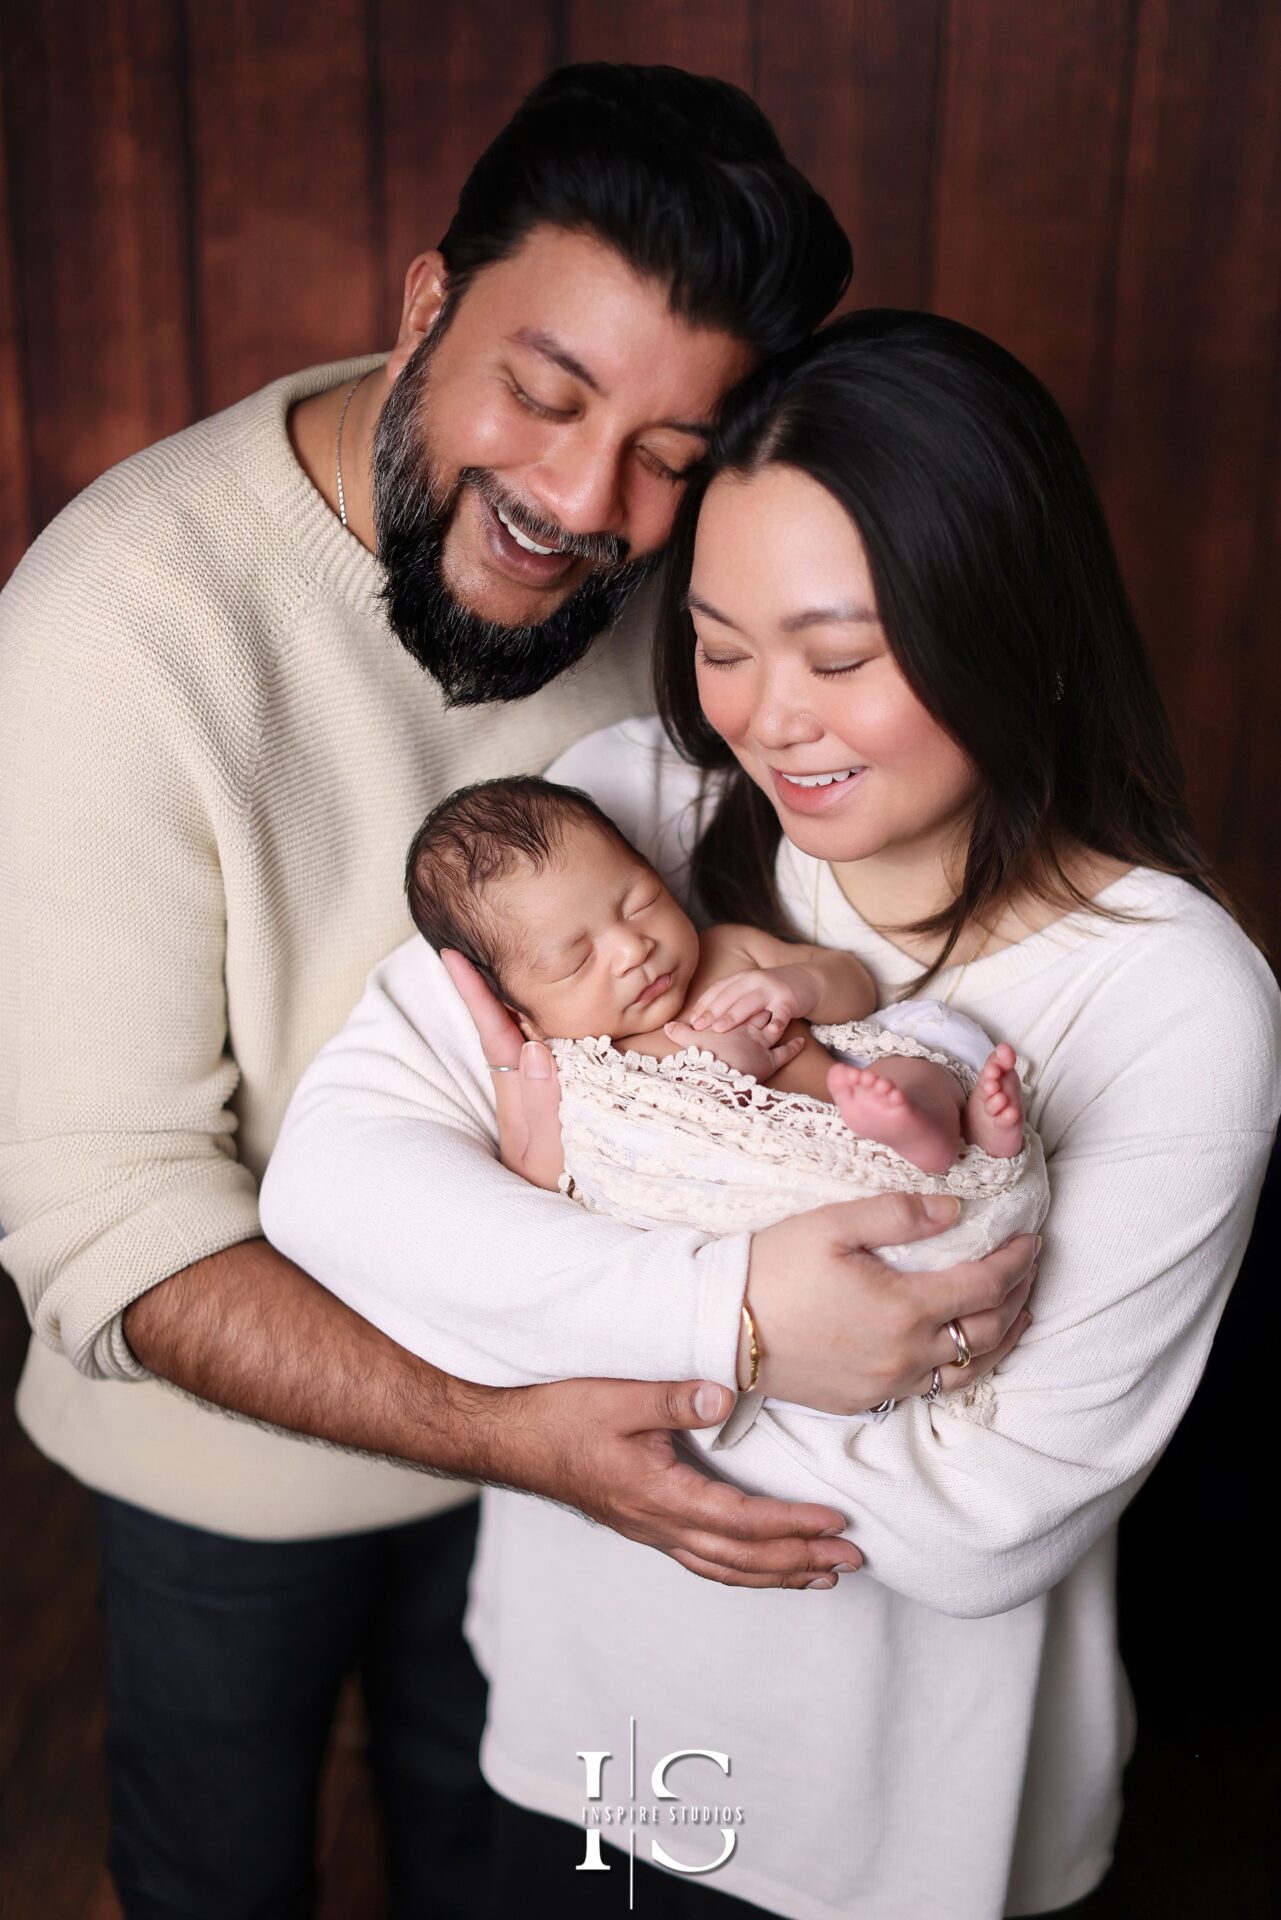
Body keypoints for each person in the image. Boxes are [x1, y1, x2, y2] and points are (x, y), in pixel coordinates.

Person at [261, 311, 1280, 1918]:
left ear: (1012, 621)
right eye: (721, 644)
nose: (764, 718)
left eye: (841, 655)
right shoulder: (634, 824)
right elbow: (331, 1192)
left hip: (901, 1818)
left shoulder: (1170, 998)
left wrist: (553, 1240)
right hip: (580, 1723)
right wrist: (739, 1315)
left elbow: (983, 1524)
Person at [0, 62, 871, 1919]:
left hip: (584, 1438)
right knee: (217, 1871)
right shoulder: (109, 632)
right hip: (235, 1464)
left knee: (524, 1862)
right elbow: (106, 1216)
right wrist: (499, 1421)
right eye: (543, 396)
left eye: (666, 452)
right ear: (421, 308)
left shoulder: (684, 603)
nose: (579, 498)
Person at [404, 772, 1030, 1175]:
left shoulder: (726, 951)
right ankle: (929, 1138)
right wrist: (724, 1074)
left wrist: (797, 986)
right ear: (520, 1013)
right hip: (785, 1193)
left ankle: (941, 1128)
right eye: (576, 958)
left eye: (640, 901)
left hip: (850, 1107)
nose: (632, 947)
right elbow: (581, 1184)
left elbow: (854, 983)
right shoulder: (585, 1079)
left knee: (912, 1064)